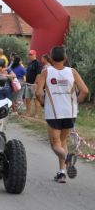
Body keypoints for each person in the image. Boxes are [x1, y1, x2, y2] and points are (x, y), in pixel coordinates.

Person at [36, 46, 88, 183]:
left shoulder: (46, 72)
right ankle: (62, 172)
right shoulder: (72, 71)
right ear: (65, 58)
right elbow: (85, 91)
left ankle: (67, 159)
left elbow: (38, 93)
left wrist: (42, 103)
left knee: (55, 144)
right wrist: (76, 103)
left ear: (51, 58)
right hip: (70, 112)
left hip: (53, 112)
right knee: (62, 141)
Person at [24, 49, 42, 117]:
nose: (29, 56)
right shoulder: (30, 63)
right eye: (29, 54)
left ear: (35, 55)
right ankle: (28, 113)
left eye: (31, 55)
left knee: (36, 99)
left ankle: (37, 114)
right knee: (27, 99)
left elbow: (38, 74)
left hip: (34, 84)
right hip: (28, 84)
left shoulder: (37, 63)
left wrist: (35, 83)